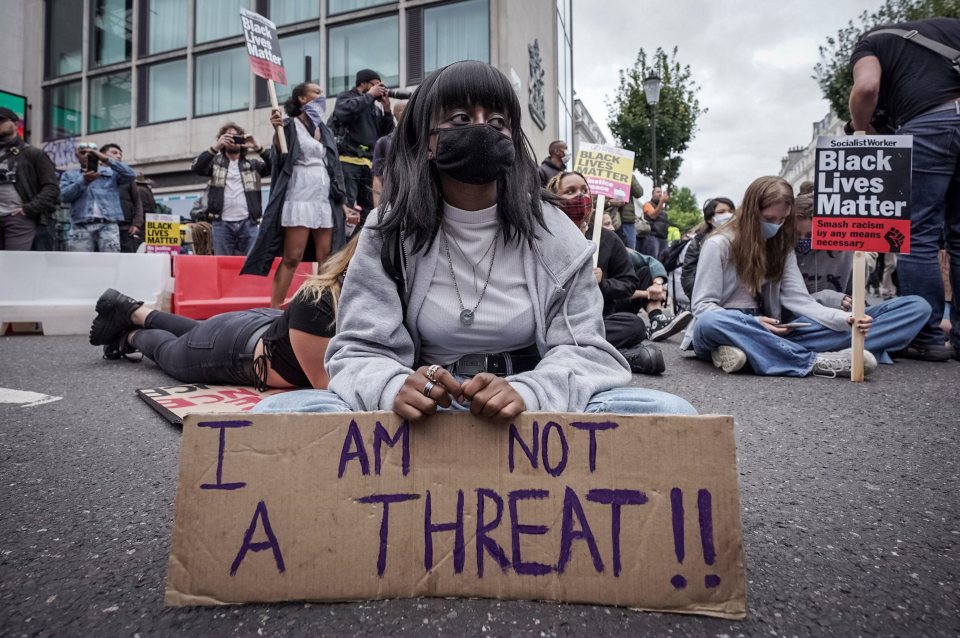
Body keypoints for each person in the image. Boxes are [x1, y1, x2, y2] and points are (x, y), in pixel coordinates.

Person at [253, 60, 695, 419]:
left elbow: (586, 353)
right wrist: (390, 387)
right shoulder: (388, 230)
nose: (482, 128)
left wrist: (530, 391)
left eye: (498, 120)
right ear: (428, 140)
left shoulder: (554, 231)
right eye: (461, 118)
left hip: (530, 404)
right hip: (426, 407)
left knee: (670, 412)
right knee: (278, 414)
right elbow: (359, 349)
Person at [89, 234, 360, 390]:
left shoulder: (346, 293)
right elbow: (328, 385)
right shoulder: (320, 299)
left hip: (257, 327)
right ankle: (130, 333)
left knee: (195, 334)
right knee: (170, 353)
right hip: (234, 347)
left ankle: (133, 309)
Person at [688, 176, 881, 379]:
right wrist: (752, 322)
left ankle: (746, 353)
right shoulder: (718, 244)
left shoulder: (781, 248)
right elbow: (702, 307)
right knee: (710, 321)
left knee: (840, 331)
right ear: (752, 213)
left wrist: (845, 319)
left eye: (782, 220)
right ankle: (814, 361)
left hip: (770, 329)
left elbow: (799, 299)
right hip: (726, 324)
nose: (776, 226)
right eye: (770, 219)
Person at [849, 17, 960, 360]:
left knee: (917, 235)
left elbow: (867, 87)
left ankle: (926, 336)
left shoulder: (872, 41)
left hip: (928, 124)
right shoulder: (951, 26)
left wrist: (861, 127)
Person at [241, 83, 351, 309]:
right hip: (299, 193)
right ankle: (276, 306)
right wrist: (276, 130)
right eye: (317, 92)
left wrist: (342, 203)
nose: (322, 96)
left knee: (327, 257)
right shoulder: (289, 125)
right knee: (293, 256)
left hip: (324, 197)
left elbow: (334, 167)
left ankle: (324, 305)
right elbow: (279, 157)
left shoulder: (325, 129)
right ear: (302, 98)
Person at [546, 170, 665, 374]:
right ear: (555, 199)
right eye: (570, 191)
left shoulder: (606, 239)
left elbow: (628, 283)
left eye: (584, 190)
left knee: (635, 325)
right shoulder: (544, 236)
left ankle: (576, 351)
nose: (580, 196)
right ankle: (609, 354)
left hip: (597, 321)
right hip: (554, 322)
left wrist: (602, 282)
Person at [791, 193, 930, 365]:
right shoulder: (784, 253)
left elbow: (855, 306)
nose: (803, 241)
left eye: (811, 235)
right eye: (797, 235)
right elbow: (788, 304)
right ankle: (871, 345)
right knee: (801, 328)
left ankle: (827, 349)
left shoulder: (847, 250)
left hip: (841, 322)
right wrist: (825, 298)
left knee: (917, 307)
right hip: (803, 324)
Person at [191, 122, 270, 256]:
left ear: (242, 140)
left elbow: (276, 166)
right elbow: (197, 168)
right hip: (221, 224)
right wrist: (215, 147)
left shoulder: (253, 165)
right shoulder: (215, 164)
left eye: (236, 137)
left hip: (249, 223)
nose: (232, 140)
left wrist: (258, 147)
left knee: (250, 265)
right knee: (222, 264)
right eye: (228, 137)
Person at [331, 69, 395, 224]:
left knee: (369, 209)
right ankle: (343, 244)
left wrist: (387, 111)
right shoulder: (347, 97)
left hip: (369, 165)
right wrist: (370, 95)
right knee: (347, 207)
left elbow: (386, 135)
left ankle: (363, 243)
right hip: (348, 163)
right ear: (363, 83)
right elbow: (342, 112)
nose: (379, 89)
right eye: (375, 85)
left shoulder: (374, 107)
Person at [0, 107, 59, 251]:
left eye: (1, 120)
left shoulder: (33, 153)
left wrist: (28, 209)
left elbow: (51, 188)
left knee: (15, 265)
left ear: (15, 124)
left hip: (19, 219)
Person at [60, 142, 135, 253]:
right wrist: (84, 181)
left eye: (91, 153)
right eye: (82, 152)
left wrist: (106, 159)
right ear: (77, 156)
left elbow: (131, 175)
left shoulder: (110, 172)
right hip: (81, 225)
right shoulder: (70, 175)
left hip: (108, 224)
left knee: (110, 262)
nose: (86, 155)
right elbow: (63, 196)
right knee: (79, 263)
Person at [100, 144, 143, 253]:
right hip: (102, 226)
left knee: (127, 260)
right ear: (101, 155)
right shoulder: (95, 174)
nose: (119, 156)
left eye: (120, 154)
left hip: (125, 228)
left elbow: (137, 201)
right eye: (114, 153)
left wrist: (136, 223)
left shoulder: (127, 177)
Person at [371, 100, 407, 209]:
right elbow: (378, 178)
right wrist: (378, 211)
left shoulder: (423, 140)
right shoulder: (384, 143)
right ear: (400, 113)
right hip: (394, 203)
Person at [641, 186, 670, 260]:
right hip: (653, 237)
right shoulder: (648, 204)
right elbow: (653, 215)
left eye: (661, 192)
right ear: (652, 194)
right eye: (658, 192)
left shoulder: (662, 208)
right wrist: (662, 202)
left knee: (663, 260)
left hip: (663, 238)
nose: (660, 194)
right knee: (653, 260)